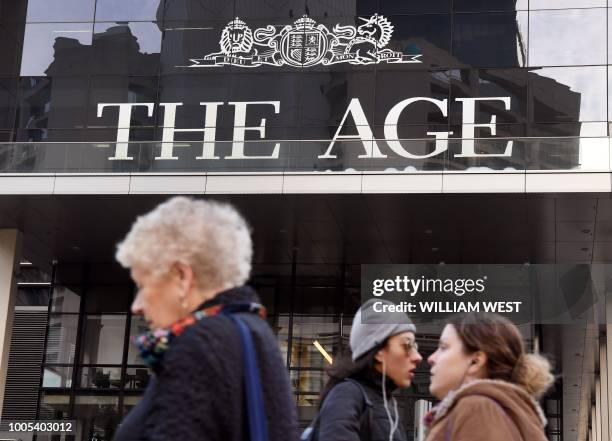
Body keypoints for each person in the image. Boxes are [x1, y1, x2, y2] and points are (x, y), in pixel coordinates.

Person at [112, 196, 296, 441]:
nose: (136, 306)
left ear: (182, 277)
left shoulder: (198, 345)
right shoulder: (251, 333)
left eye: (142, 285)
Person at [425, 312, 555, 441]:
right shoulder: (506, 412)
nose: (431, 358)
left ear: (475, 361)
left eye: (443, 347)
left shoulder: (476, 408)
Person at [313, 298, 422, 441]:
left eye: (415, 346)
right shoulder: (347, 394)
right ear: (378, 351)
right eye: (407, 345)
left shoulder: (386, 403)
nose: (418, 357)